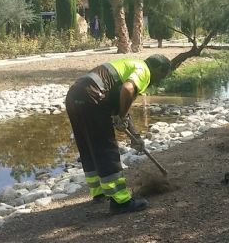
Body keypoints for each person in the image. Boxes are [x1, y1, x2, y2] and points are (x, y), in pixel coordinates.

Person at [65, 54, 172, 214]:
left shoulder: (129, 65)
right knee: (105, 148)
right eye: (162, 76)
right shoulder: (144, 70)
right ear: (157, 69)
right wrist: (121, 117)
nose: (159, 81)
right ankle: (120, 201)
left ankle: (99, 192)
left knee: (89, 145)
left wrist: (135, 136)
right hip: (92, 97)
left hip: (75, 95)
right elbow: (127, 89)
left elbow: (120, 105)